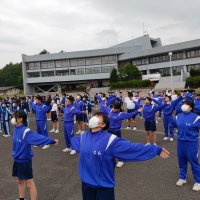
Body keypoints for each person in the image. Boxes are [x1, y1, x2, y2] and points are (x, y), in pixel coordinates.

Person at [71, 112, 170, 200]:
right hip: (86, 186)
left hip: (103, 188)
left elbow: (133, 148)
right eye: (95, 116)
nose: (94, 117)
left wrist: (156, 149)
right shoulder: (83, 137)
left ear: (103, 124)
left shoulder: (110, 140)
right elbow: (74, 141)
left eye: (98, 117)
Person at [11, 111, 58, 200]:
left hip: (24, 161)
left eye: (14, 117)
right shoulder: (15, 128)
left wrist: (52, 140)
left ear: (20, 119)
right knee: (20, 181)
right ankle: (21, 198)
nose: (12, 118)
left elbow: (39, 138)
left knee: (29, 183)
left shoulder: (26, 131)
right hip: (17, 160)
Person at [170, 101, 200, 191]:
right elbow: (172, 124)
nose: (183, 106)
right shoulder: (178, 116)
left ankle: (198, 181)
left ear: (191, 108)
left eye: (186, 105)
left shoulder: (196, 117)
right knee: (181, 161)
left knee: (194, 162)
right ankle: (182, 178)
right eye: (183, 104)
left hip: (191, 143)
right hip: (180, 143)